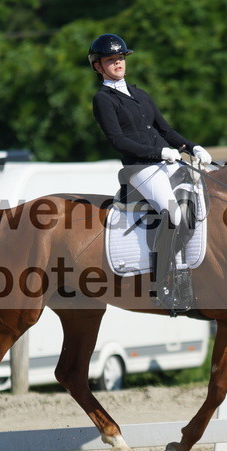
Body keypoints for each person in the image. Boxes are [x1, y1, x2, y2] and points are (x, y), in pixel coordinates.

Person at [88, 33, 212, 310]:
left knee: (200, 204)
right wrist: (159, 153)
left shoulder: (140, 94)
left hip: (165, 162)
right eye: (111, 60)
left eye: (120, 58)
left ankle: (191, 271)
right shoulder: (104, 100)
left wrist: (192, 147)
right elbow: (117, 140)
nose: (118, 63)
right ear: (98, 66)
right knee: (172, 213)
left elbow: (165, 130)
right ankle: (162, 284)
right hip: (140, 168)